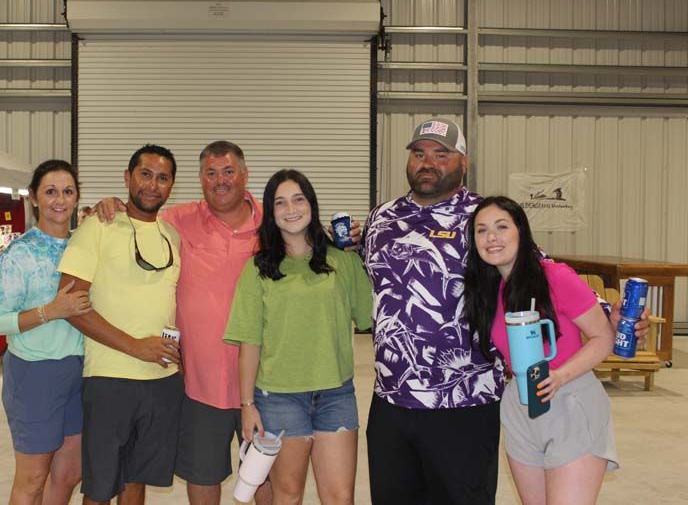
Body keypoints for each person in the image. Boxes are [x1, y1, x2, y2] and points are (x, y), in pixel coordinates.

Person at [360, 118, 648, 505]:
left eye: (441, 154)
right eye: (419, 153)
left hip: (464, 401)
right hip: (392, 401)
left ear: (464, 162)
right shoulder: (381, 219)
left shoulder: (483, 218)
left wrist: (605, 314)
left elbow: (537, 270)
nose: (427, 162)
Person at [93, 140, 273, 505]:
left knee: (267, 476)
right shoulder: (175, 221)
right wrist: (109, 204)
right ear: (200, 180)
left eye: (228, 171)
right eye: (210, 173)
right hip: (200, 381)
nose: (219, 180)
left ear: (245, 175)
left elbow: (316, 246)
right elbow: (138, 215)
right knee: (202, 473)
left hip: (268, 380)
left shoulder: (274, 222)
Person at [223, 169, 373, 505]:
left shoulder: (340, 260)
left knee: (340, 496)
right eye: (280, 202)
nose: (291, 209)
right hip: (278, 399)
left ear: (311, 204)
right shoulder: (258, 268)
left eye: (298, 199)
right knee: (287, 496)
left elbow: (367, 316)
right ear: (270, 213)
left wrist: (361, 253)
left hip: (336, 394)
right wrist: (247, 405)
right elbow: (249, 343)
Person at [464, 196, 619, 505]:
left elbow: (603, 338)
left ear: (521, 231)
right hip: (520, 407)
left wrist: (559, 376)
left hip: (570, 402)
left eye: (501, 227)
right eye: (481, 231)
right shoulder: (489, 289)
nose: (491, 237)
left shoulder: (555, 276)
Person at [57, 144, 184, 505]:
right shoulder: (98, 225)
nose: (152, 185)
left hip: (161, 381)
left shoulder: (171, 236)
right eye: (145, 174)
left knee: (137, 480)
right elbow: (70, 304)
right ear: (128, 178)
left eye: (162, 178)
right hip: (110, 379)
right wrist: (135, 346)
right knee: (100, 486)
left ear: (171, 186)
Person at [0, 159, 93, 505]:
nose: (59, 200)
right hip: (35, 374)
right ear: (33, 198)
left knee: (69, 473)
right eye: (50, 191)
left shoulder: (84, 245)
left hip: (79, 372)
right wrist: (50, 312)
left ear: (77, 198)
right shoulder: (21, 254)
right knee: (32, 479)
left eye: (67, 191)